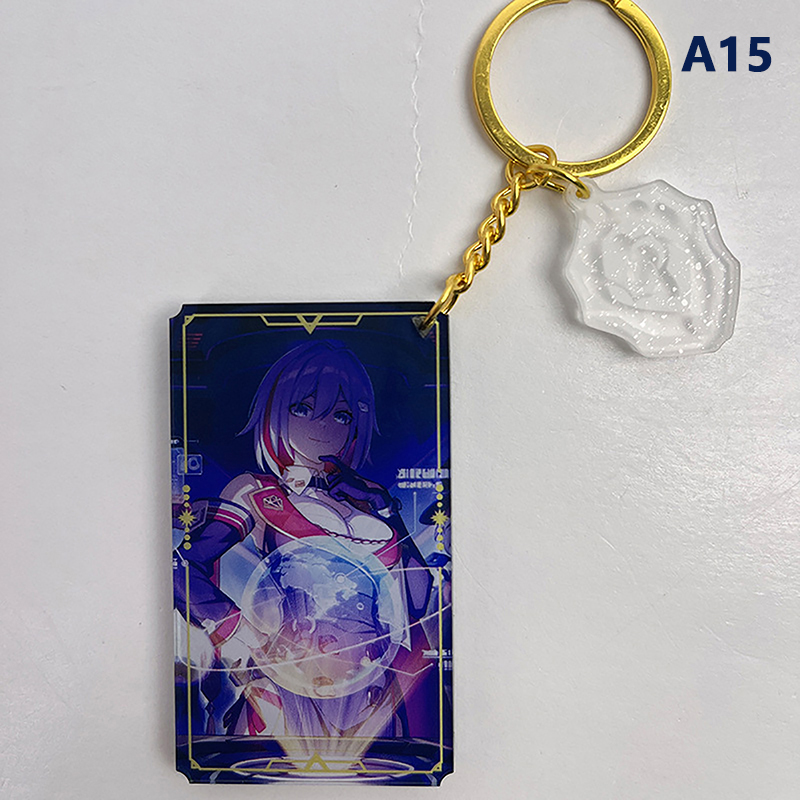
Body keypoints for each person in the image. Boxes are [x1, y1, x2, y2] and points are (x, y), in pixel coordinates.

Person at [175, 340, 432, 742]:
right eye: (303, 408)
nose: (323, 427)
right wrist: (240, 631)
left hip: (373, 687)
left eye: (342, 415)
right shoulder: (259, 492)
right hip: (289, 678)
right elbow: (181, 566)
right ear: (275, 413)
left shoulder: (369, 501)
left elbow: (417, 598)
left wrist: (387, 510)